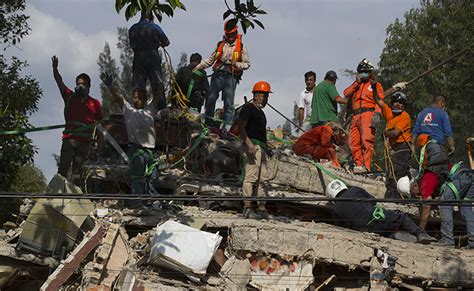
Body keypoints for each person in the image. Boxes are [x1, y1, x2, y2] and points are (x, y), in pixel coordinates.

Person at [101, 73, 159, 208]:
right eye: (134, 97)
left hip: (150, 151)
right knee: (137, 178)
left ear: (145, 99)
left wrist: (158, 81)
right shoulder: (128, 110)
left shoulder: (150, 109)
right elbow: (118, 97)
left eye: (139, 97)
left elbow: (157, 95)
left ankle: (150, 201)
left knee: (152, 176)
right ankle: (137, 203)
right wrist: (110, 86)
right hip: (136, 149)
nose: (136, 100)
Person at [326, 179, 436, 244]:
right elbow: (373, 201)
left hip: (364, 228)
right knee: (401, 217)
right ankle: (419, 233)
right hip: (379, 217)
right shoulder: (355, 190)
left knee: (381, 231)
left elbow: (341, 227)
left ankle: (393, 235)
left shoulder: (336, 209)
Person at [52, 56, 102, 183]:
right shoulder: (69, 97)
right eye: (78, 84)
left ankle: (75, 197)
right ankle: (57, 194)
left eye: (83, 84)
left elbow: (99, 125)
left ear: (89, 86)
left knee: (77, 173)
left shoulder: (95, 103)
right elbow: (59, 82)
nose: (80, 86)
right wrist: (55, 68)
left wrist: (98, 144)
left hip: (85, 142)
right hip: (69, 139)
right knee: (63, 169)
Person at [194, 20, 250, 129]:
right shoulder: (221, 45)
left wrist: (237, 64)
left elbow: (247, 64)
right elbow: (210, 60)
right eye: (228, 34)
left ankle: (226, 129)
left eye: (232, 34)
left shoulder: (242, 47)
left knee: (228, 104)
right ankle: (208, 124)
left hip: (231, 77)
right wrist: (197, 68)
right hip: (217, 75)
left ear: (235, 33)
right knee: (210, 99)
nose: (230, 37)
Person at [343, 59, 384, 172]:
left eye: (366, 71)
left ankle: (366, 166)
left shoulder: (375, 85)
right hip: (355, 116)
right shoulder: (356, 85)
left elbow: (379, 101)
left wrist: (377, 114)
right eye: (361, 71)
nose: (364, 73)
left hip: (368, 114)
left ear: (370, 72)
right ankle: (358, 164)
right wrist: (356, 83)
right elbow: (346, 93)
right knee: (354, 142)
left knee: (367, 141)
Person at [238, 81, 272, 220]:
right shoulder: (248, 108)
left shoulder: (262, 114)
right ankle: (247, 207)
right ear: (256, 95)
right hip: (253, 146)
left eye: (267, 96)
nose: (266, 99)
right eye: (264, 95)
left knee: (263, 179)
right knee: (250, 177)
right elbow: (241, 127)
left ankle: (261, 208)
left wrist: (267, 148)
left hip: (261, 148)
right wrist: (249, 144)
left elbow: (261, 133)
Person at [373, 90, 414, 198]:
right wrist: (373, 86)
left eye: (401, 103)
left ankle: (395, 196)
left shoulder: (405, 116)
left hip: (403, 147)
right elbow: (378, 100)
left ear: (404, 106)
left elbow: (395, 133)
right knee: (396, 171)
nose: (398, 105)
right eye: (395, 102)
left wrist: (385, 133)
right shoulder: (389, 113)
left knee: (396, 172)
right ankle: (400, 195)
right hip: (395, 148)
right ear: (391, 104)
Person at [129, 11, 170, 110]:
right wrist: (158, 43)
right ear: (151, 18)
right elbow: (166, 42)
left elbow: (132, 45)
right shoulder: (155, 27)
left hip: (138, 59)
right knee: (157, 84)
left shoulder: (132, 29)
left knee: (138, 86)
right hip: (153, 58)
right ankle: (161, 111)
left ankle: (138, 110)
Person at [437, 163, 474, 248]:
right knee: (466, 207)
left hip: (461, 177)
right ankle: (473, 242)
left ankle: (447, 240)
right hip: (470, 176)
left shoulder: (426, 180)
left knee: (444, 203)